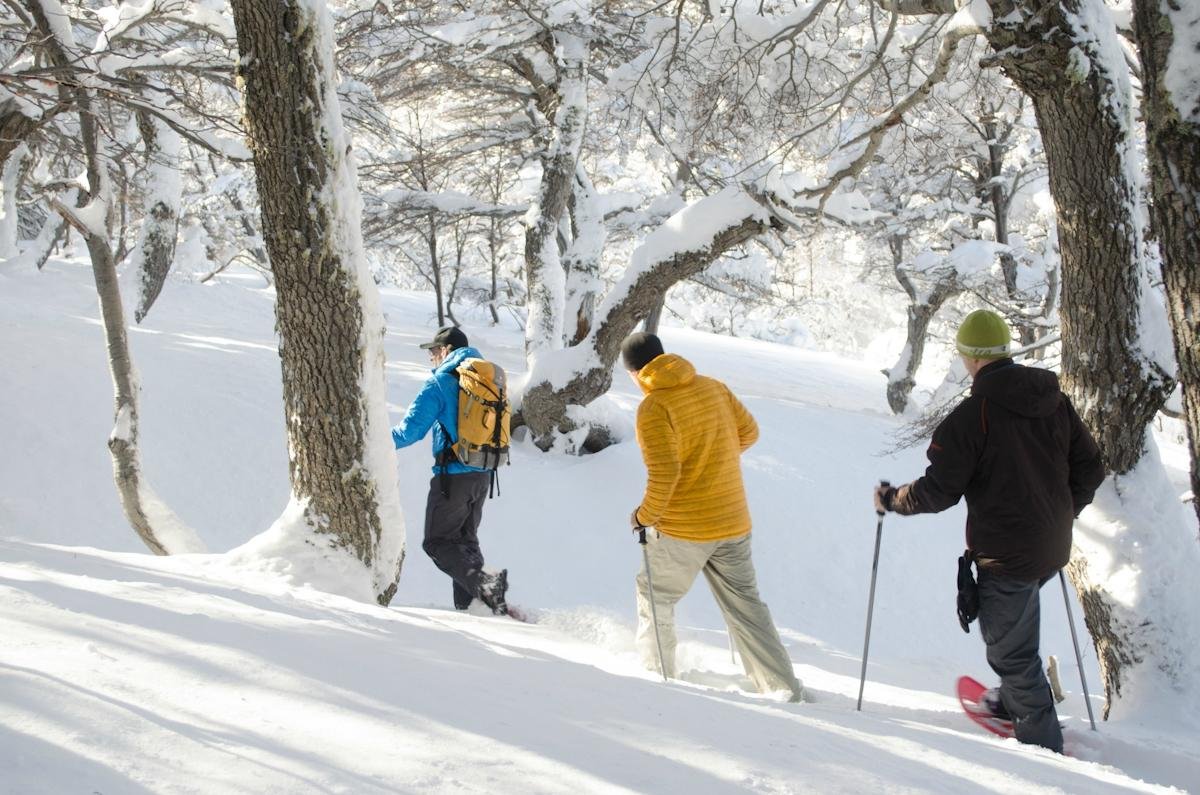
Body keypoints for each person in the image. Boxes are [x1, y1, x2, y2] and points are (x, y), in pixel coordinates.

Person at [873, 309, 1104, 753]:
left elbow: (938, 491)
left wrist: (892, 499)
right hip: (1050, 547)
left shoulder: (973, 415)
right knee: (1013, 630)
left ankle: (1044, 751)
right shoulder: (1054, 401)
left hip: (1006, 554)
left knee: (1010, 653)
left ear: (971, 359)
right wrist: (1059, 513)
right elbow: (1090, 468)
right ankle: (1012, 701)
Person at [622, 331, 804, 702]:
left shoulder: (654, 407)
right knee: (748, 608)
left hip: (682, 530)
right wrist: (714, 460)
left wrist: (643, 516)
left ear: (635, 373)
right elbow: (750, 432)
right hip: (733, 521)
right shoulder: (713, 387)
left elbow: (665, 473)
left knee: (655, 595)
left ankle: (657, 680)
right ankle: (784, 688)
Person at [392, 325, 508, 615]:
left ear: (446, 351)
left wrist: (372, 442)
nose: (432, 357)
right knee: (465, 541)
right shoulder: (489, 381)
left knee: (438, 542)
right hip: (483, 474)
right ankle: (474, 607)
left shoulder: (440, 383)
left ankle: (485, 585)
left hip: (452, 478)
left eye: (433, 351)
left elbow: (410, 432)